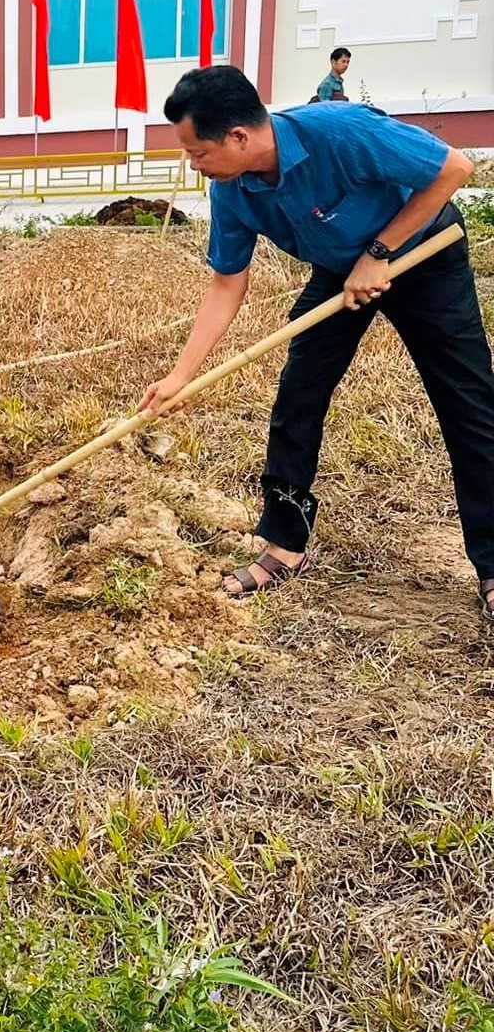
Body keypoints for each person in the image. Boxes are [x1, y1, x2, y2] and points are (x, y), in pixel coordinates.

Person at [141, 65, 494, 622]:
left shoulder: (341, 130)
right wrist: (182, 374)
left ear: (238, 136)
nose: (195, 164)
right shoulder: (233, 190)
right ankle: (284, 543)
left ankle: (493, 565)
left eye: (198, 152)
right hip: (340, 271)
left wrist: (379, 253)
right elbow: (226, 283)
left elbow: (454, 167)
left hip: (423, 250)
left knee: (469, 406)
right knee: (298, 397)